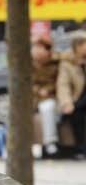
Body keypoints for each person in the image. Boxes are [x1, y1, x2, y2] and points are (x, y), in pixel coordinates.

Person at [56, 30, 86, 159]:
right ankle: (78, 147)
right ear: (77, 46)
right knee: (74, 112)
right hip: (78, 98)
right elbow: (63, 84)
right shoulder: (67, 62)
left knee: (76, 110)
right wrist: (66, 103)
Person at [31, 35, 61, 158]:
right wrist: (38, 90)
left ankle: (50, 142)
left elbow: (60, 81)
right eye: (35, 47)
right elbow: (25, 82)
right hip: (32, 97)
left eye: (40, 47)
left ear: (47, 49)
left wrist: (47, 89)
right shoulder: (28, 63)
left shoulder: (57, 62)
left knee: (48, 108)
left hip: (50, 96)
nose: (36, 50)